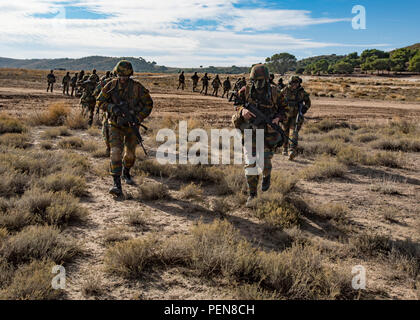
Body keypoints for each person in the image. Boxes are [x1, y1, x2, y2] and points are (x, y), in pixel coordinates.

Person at [96, 60, 153, 196]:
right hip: (115, 125)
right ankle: (116, 184)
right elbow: (99, 101)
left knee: (130, 155)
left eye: (126, 76)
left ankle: (126, 171)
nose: (123, 79)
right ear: (117, 74)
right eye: (121, 76)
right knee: (115, 152)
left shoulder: (137, 88)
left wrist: (138, 118)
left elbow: (149, 104)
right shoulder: (111, 86)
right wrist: (111, 107)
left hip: (131, 126)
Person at [231, 64, 285, 206]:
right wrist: (242, 110)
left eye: (262, 80)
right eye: (256, 80)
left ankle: (267, 175)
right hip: (250, 132)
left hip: (268, 133)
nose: (259, 83)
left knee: (265, 162)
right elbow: (236, 103)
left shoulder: (276, 92)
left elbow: (284, 109)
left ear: (267, 79)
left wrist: (277, 118)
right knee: (250, 163)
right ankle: (252, 194)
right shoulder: (245, 90)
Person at [278, 76, 311, 160]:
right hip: (285, 115)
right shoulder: (284, 91)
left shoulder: (302, 92)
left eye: (296, 83)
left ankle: (292, 150)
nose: (295, 85)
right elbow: (278, 100)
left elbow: (308, 101)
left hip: (296, 116)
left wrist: (305, 108)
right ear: (290, 83)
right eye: (293, 83)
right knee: (284, 132)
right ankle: (285, 148)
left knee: (294, 132)